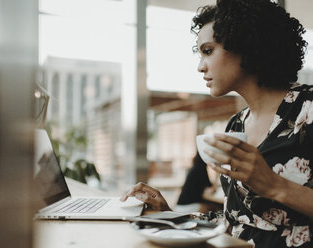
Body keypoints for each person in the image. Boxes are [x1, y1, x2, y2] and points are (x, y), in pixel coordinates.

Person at [120, 0, 313, 247]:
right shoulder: (237, 125)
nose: (201, 67)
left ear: (245, 46)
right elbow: (236, 220)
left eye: (208, 51)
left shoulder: (307, 108)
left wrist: (274, 186)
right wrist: (169, 213)